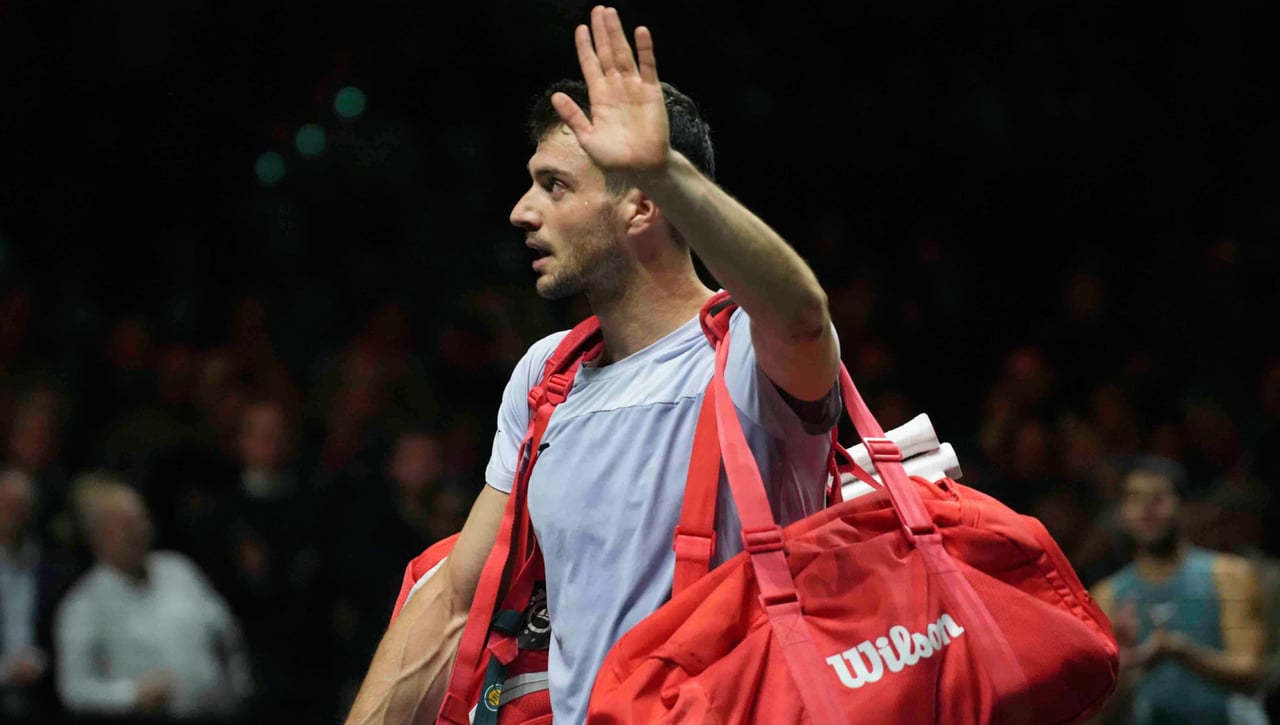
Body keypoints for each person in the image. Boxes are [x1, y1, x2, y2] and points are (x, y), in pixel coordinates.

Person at [347, 6, 841, 724]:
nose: (521, 211)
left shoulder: (745, 359)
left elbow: (803, 315)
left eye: (555, 186)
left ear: (643, 206)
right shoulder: (546, 375)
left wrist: (664, 170)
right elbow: (458, 601)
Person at [53, 475, 251, 720]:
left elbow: (227, 631)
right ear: (98, 536)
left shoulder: (178, 569)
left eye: (142, 519)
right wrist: (131, 696)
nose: (140, 530)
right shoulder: (83, 605)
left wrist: (240, 687)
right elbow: (74, 690)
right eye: (127, 524)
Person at [1091, 455, 1267, 724]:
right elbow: (1101, 714)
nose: (1146, 508)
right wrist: (1124, 670)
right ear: (1121, 512)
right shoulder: (1106, 596)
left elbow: (1252, 673)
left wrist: (1179, 651)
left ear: (1182, 506)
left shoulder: (1229, 575)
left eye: (1158, 497)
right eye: (1135, 498)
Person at [0, 468, 77, 722]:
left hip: (44, 696)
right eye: (5, 505)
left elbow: (69, 634)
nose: (11, 514)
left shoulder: (57, 571)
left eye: (19, 506)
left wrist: (41, 661)